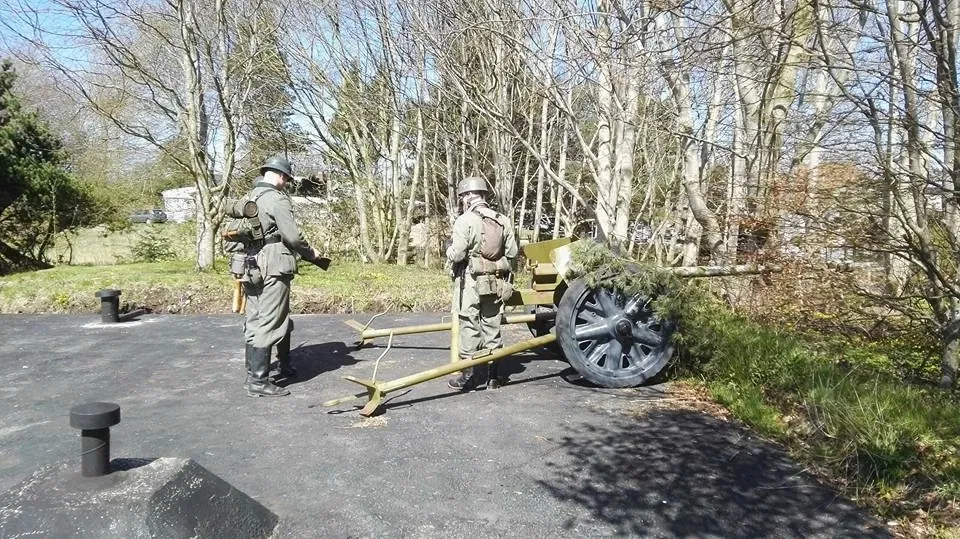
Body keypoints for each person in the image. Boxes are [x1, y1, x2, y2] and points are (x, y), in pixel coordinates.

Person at [240, 155, 323, 397]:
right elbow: (293, 237)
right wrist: (312, 254)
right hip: (273, 264)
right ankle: (259, 381)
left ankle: (252, 375)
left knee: (255, 318)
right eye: (286, 178)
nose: (286, 183)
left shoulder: (249, 198)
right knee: (272, 319)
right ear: (280, 176)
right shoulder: (277, 200)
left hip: (251, 263)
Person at [446, 176, 518, 391]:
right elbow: (513, 253)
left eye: (463, 196)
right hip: (495, 279)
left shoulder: (465, 220)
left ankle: (469, 376)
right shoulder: (503, 219)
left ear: (467, 196)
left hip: (470, 280)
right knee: (492, 323)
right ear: (484, 195)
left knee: (469, 321)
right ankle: (493, 378)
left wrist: (447, 249)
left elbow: (457, 254)